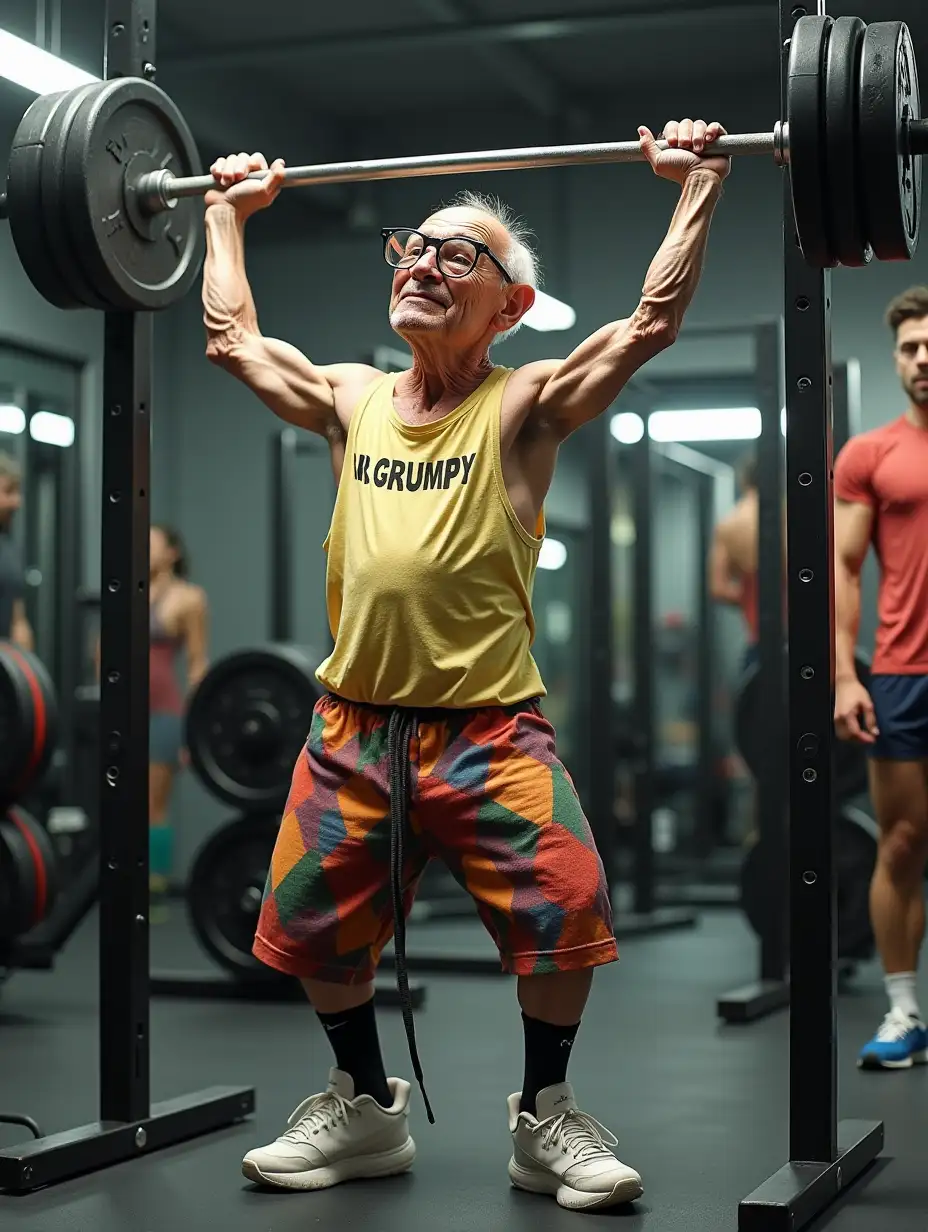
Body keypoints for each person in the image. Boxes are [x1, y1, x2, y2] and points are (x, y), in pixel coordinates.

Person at [204, 118, 730, 1209]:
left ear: (510, 305)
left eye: (457, 253)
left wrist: (697, 186)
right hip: (353, 725)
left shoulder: (522, 404)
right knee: (309, 917)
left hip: (490, 727)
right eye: (411, 246)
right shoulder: (352, 397)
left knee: (568, 900)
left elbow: (646, 325)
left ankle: (544, 1116)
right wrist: (222, 215)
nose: (420, 262)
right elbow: (233, 342)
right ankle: (361, 1103)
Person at [834, 285, 928, 1071]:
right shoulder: (870, 454)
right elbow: (844, 569)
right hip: (903, 673)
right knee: (900, 842)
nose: (922, 359)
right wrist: (844, 676)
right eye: (909, 347)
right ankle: (904, 1012)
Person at [147, 524, 209, 894]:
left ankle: (151, 888)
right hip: (125, 712)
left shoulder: (189, 599)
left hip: (165, 713)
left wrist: (193, 729)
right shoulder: (127, 590)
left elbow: (198, 664)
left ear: (172, 552)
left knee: (153, 804)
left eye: (150, 543)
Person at [708, 455, 760, 673]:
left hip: (759, 643)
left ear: (743, 480)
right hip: (806, 641)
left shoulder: (730, 524)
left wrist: (753, 597)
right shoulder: (792, 516)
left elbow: (718, 588)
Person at [0, 452, 34, 652]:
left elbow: (18, 619)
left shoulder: (7, 546)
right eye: (8, 492)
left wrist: (25, 670)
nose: (17, 502)